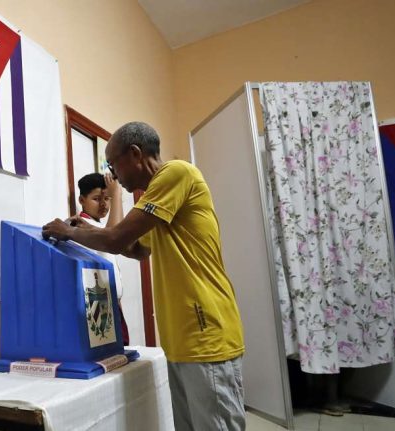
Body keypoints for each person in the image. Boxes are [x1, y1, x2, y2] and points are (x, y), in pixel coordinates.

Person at [44, 122, 246, 431]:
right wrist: (87, 230)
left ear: (135, 154)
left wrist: (67, 231)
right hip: (181, 339)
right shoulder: (155, 200)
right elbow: (135, 249)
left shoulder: (176, 173)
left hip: (206, 333)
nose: (115, 175)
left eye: (114, 165)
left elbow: (115, 240)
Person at [76, 172, 129, 345]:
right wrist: (117, 194)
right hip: (97, 308)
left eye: (107, 199)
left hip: (113, 305)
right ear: (81, 200)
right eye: (97, 198)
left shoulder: (99, 225)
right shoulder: (78, 225)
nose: (103, 204)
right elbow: (113, 237)